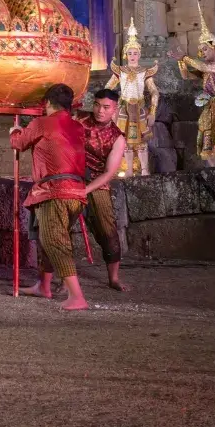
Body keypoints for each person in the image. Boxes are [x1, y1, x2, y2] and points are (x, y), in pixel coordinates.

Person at [9, 83, 89, 311]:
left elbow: (19, 143)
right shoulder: (78, 126)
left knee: (55, 241)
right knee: (50, 238)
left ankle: (77, 296)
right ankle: (44, 285)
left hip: (54, 191)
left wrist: (15, 130)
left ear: (47, 103)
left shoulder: (42, 123)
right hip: (76, 192)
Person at [169, 1, 215, 167]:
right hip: (211, 107)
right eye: (200, 50)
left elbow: (202, 66)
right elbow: (186, 76)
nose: (202, 53)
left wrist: (185, 57)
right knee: (206, 141)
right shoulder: (207, 69)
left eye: (205, 49)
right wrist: (180, 62)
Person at [78, 88, 129, 291]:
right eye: (97, 105)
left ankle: (113, 278)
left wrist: (86, 190)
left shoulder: (117, 138)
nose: (100, 111)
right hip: (72, 174)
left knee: (108, 229)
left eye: (106, 107)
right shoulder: (79, 119)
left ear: (115, 109)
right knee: (58, 226)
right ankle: (62, 280)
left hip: (97, 181)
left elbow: (109, 173)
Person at [106, 19, 159, 176]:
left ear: (139, 54)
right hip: (124, 109)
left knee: (141, 142)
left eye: (135, 53)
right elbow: (108, 88)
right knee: (126, 142)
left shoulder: (145, 71)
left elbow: (154, 92)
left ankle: (144, 170)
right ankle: (128, 170)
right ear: (125, 54)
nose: (132, 56)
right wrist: (111, 108)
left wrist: (153, 111)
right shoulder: (120, 71)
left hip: (140, 109)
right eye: (130, 53)